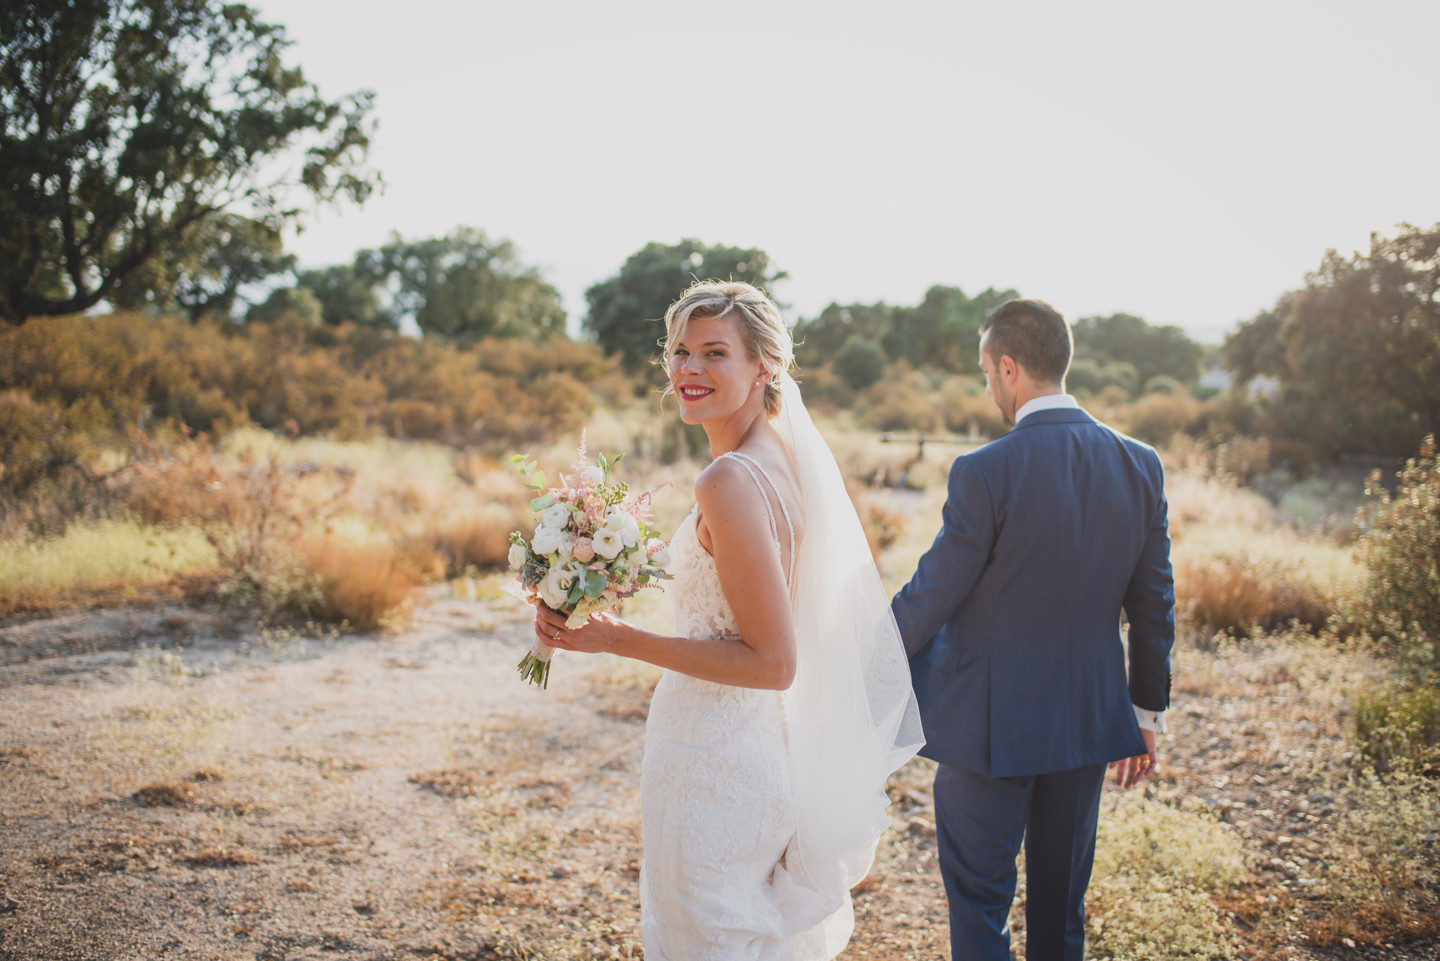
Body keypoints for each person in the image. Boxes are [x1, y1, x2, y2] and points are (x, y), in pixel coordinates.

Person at [535, 280, 922, 960]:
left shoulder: (729, 480)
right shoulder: (786, 461)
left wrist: (618, 639)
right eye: (681, 352)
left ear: (763, 366)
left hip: (711, 762)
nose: (689, 370)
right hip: (760, 752)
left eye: (716, 353)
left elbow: (773, 661)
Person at [890, 298, 1175, 961]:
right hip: (1086, 719)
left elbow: (932, 593)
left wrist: (859, 663)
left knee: (980, 903)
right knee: (1061, 914)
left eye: (987, 371)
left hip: (988, 725)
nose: (989, 385)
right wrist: (1146, 712)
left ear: (1010, 368)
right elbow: (1154, 600)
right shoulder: (1141, 463)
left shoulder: (984, 469)